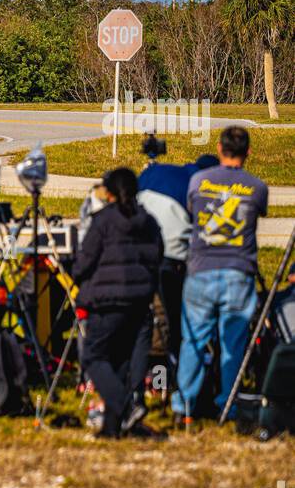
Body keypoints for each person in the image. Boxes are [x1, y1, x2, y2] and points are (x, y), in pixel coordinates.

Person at [172, 125, 269, 424]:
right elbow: (258, 215)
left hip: (201, 269)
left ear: (218, 148)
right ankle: (228, 404)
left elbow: (192, 210)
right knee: (233, 344)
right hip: (238, 272)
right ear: (248, 152)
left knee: (194, 340)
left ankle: (183, 406)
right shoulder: (257, 187)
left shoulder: (199, 181)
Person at [72, 166, 163, 439]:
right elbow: (157, 255)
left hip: (109, 300)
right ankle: (112, 428)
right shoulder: (147, 220)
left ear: (109, 192)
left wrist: (78, 274)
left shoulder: (103, 220)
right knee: (120, 361)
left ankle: (126, 406)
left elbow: (84, 261)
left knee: (94, 357)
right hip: (139, 299)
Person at [137, 151, 218, 365]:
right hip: (169, 258)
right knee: (170, 322)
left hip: (136, 251)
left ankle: (147, 380)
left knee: (145, 322)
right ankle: (163, 376)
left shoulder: (159, 171)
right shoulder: (200, 185)